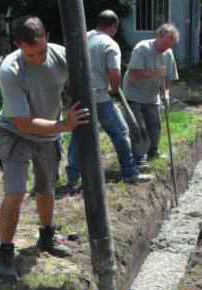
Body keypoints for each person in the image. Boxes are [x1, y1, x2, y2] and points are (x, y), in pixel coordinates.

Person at [0, 16, 90, 279]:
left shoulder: (62, 56)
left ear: (47, 36)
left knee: (46, 188)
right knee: (15, 192)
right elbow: (24, 124)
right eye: (31, 54)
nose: (38, 58)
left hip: (48, 134)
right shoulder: (10, 70)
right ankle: (5, 252)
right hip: (15, 133)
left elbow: (79, 85)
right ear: (19, 45)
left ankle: (47, 236)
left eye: (41, 51)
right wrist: (64, 125)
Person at [65, 10, 151, 189]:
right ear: (114, 27)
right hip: (100, 97)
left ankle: (73, 177)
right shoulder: (110, 44)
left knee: (79, 136)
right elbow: (114, 73)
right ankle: (130, 173)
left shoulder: (82, 36)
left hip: (79, 96)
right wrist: (113, 89)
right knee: (121, 132)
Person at [123, 23, 179, 168]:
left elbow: (168, 78)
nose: (166, 49)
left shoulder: (168, 53)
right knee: (138, 127)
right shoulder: (142, 48)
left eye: (170, 46)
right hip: (134, 93)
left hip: (152, 95)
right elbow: (133, 74)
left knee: (155, 126)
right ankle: (139, 157)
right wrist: (154, 73)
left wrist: (166, 94)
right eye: (165, 44)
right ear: (159, 37)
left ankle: (153, 151)